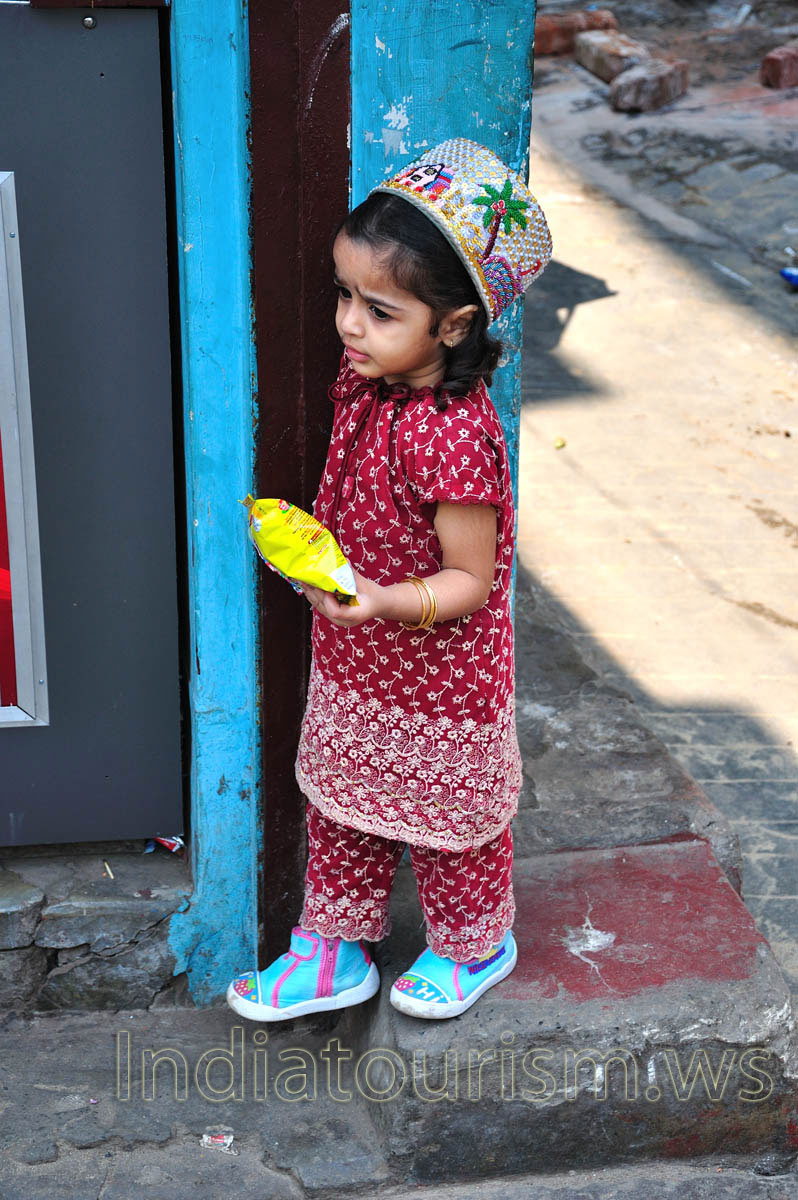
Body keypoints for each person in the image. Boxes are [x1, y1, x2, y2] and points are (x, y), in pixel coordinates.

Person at [227, 137, 551, 1022]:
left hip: (442, 671)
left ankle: (474, 944)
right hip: (362, 654)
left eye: (378, 309)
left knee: (447, 817)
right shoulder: (370, 383)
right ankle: (331, 951)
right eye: (344, 295)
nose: (348, 325)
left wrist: (381, 601)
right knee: (343, 801)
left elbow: (471, 579)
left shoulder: (452, 434)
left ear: (452, 325)